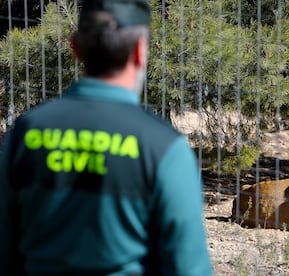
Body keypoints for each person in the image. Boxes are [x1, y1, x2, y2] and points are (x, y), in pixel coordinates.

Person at [0, 0, 212, 275]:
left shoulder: (25, 132)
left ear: (74, 47)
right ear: (140, 51)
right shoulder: (165, 148)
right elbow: (188, 266)